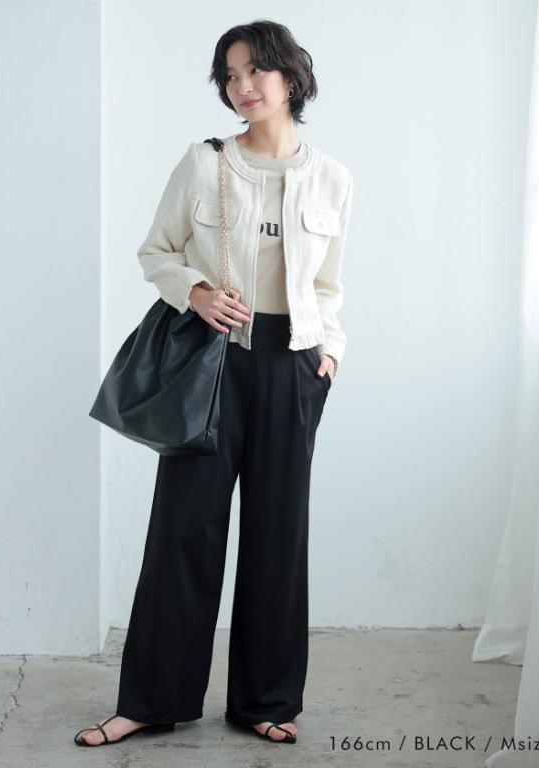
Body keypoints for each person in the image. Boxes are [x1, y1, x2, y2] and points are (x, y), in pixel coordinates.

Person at [74, 18, 353, 748]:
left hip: (294, 366)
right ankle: (151, 700)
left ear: (290, 76)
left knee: (278, 536)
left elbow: (328, 286)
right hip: (213, 360)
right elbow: (156, 251)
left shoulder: (332, 178)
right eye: (230, 75)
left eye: (255, 70)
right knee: (183, 530)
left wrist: (328, 354)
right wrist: (196, 292)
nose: (242, 86)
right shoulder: (206, 165)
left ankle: (265, 700)